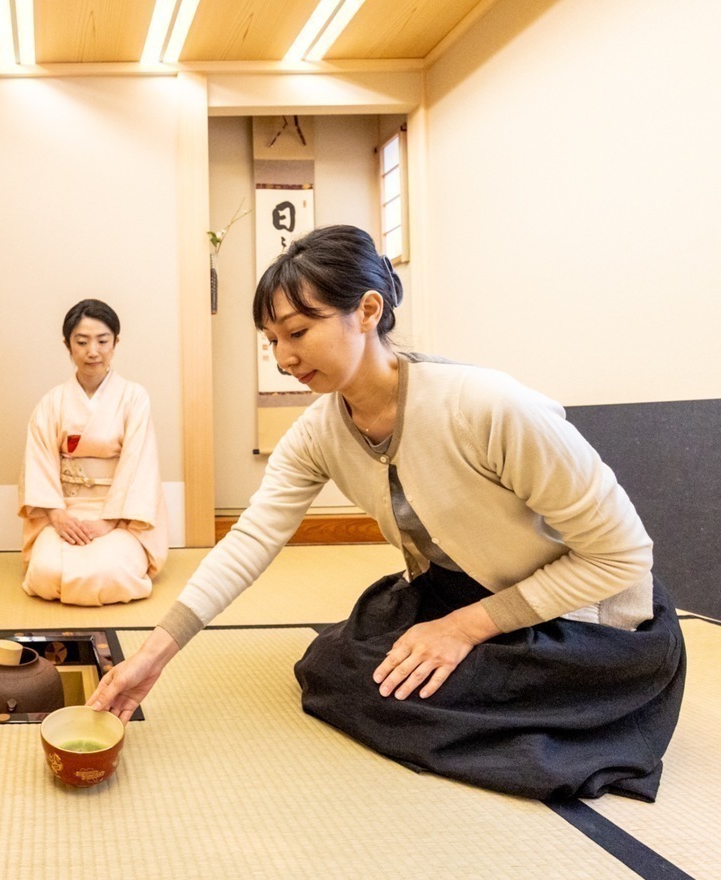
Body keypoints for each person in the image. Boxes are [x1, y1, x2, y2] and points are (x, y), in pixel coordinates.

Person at [88, 226, 685, 801]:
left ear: (368, 311)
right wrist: (152, 654)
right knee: (332, 671)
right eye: (271, 340)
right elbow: (252, 538)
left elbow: (623, 556)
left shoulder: (489, 407)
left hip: (581, 617)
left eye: (298, 331)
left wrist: (463, 629)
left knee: (408, 695)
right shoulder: (320, 430)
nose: (283, 357)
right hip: (459, 588)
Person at [18, 299, 170, 605]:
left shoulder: (134, 397)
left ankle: (120, 546)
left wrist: (109, 521)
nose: (93, 351)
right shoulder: (52, 403)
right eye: (82, 341)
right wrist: (58, 516)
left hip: (121, 515)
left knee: (110, 571)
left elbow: (139, 465)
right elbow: (38, 464)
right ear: (67, 345)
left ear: (115, 342)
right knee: (47, 572)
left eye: (102, 341)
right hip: (65, 510)